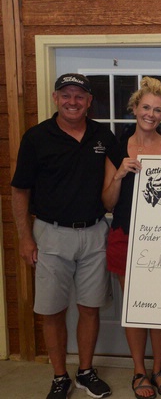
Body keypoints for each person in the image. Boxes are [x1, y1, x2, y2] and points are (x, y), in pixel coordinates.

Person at [11, 73, 116, 399]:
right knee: (52, 310)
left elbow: (119, 176)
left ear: (88, 101)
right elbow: (19, 191)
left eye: (79, 96)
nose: (73, 101)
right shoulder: (36, 137)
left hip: (95, 232)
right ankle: (60, 376)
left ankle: (85, 372)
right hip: (51, 234)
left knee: (90, 307)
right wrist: (25, 238)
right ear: (56, 98)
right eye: (66, 95)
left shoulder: (102, 134)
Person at [102, 77, 161, 399]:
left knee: (159, 306)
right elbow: (107, 202)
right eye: (146, 107)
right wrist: (121, 174)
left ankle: (159, 367)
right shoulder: (116, 148)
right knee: (134, 306)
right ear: (135, 108)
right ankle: (139, 370)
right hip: (125, 235)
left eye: (158, 110)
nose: (151, 114)